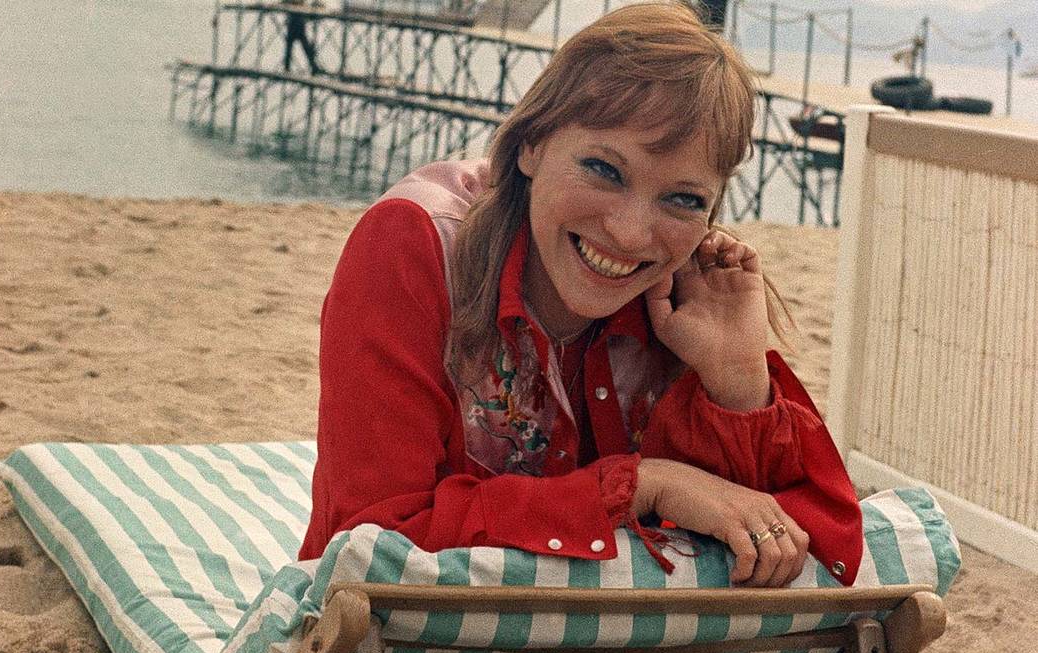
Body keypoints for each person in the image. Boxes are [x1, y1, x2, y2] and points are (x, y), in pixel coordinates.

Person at [299, 1, 863, 588]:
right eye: (603, 168)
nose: (629, 234)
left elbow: (818, 539)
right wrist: (645, 485)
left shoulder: (687, 293)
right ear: (531, 143)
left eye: (684, 199)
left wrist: (738, 383)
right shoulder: (414, 245)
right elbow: (368, 541)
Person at [283, 0, 322, 76]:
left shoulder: (297, 4)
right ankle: (313, 66)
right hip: (297, 26)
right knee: (303, 48)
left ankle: (287, 67)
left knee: (294, 48)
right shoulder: (297, 4)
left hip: (296, 26)